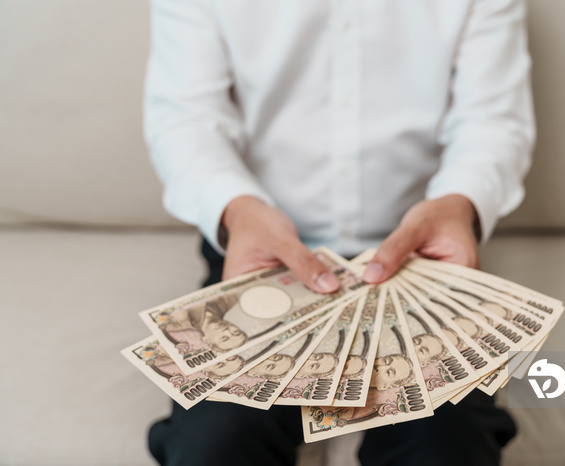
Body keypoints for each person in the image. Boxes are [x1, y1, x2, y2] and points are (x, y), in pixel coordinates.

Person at [145, 0, 534, 464]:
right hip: (260, 253)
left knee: (448, 445)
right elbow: (186, 119)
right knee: (213, 443)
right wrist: (237, 209)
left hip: (418, 260)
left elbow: (491, 122)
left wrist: (459, 203)